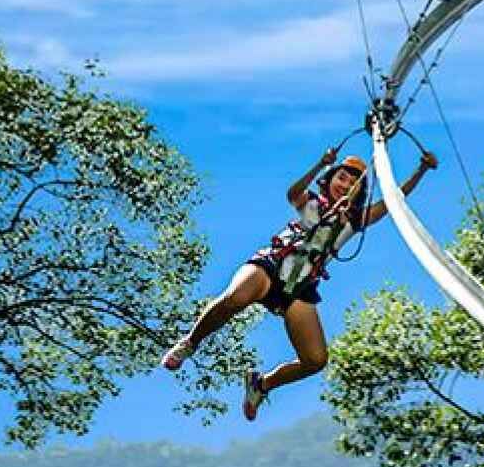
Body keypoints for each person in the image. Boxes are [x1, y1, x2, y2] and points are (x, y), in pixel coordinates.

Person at [161, 142, 439, 419]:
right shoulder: (312, 204)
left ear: (358, 193)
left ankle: (262, 384)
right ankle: (190, 342)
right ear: (330, 179)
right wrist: (321, 163)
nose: (345, 185)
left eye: (353, 183)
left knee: (315, 360)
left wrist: (421, 171)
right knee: (236, 297)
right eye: (342, 177)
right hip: (271, 267)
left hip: (298, 288)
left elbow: (392, 201)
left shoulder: (354, 221)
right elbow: (292, 192)